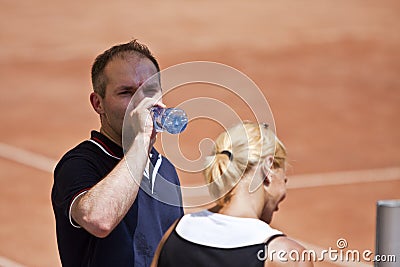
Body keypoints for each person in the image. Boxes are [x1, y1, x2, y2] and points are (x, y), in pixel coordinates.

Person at [51, 40, 184, 267]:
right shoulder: (79, 164)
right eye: (126, 92)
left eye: (149, 91)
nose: (141, 103)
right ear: (98, 103)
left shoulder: (165, 169)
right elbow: (99, 219)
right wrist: (142, 139)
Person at [151, 122, 313, 267]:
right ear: (268, 169)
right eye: (284, 179)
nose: (284, 187)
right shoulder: (285, 256)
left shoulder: (176, 232)